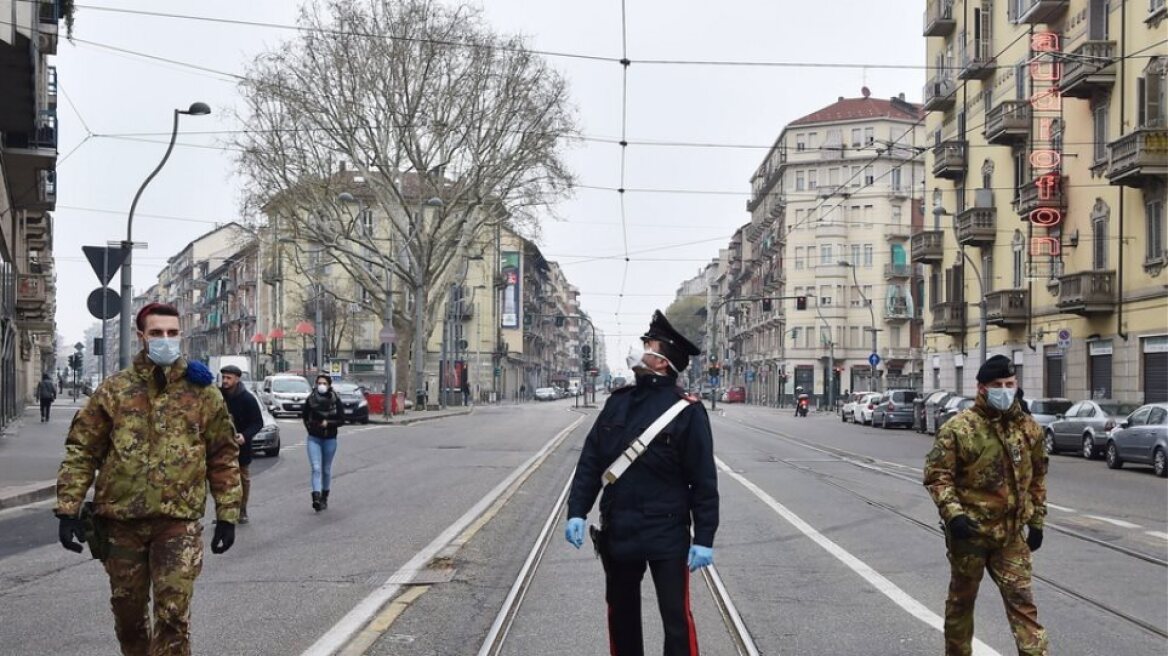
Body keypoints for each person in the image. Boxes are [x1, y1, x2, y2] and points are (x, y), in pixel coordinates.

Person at [55, 302, 240, 656]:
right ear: (142, 337)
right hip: (122, 524)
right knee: (129, 618)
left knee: (173, 617)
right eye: (156, 333)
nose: (165, 340)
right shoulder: (115, 391)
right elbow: (82, 449)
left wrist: (228, 514)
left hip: (178, 523)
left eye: (172, 333)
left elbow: (223, 455)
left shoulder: (203, 393)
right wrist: (68, 508)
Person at [565, 310, 718, 656]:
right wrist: (577, 510)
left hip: (667, 533)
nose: (640, 348)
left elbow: (704, 482)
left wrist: (704, 537)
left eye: (648, 344)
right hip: (619, 529)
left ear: (663, 362)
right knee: (621, 616)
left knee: (676, 619)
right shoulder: (618, 403)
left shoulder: (687, 411)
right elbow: (591, 461)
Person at [924, 354, 1048, 656]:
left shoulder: (1028, 428)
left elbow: (1038, 477)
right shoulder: (960, 428)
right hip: (971, 534)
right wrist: (954, 515)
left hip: (1010, 536)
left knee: (1023, 603)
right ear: (982, 388)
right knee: (961, 602)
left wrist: (1037, 522)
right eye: (998, 385)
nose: (1005, 390)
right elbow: (938, 476)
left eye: (1010, 383)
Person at [220, 365, 264, 525]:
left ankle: (242, 509)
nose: (225, 381)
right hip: (221, 447)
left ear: (237, 379)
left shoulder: (247, 399)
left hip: (240, 447)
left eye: (228, 378)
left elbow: (258, 422)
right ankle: (224, 512)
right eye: (223, 377)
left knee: (242, 478)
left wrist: (245, 435)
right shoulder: (218, 396)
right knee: (222, 480)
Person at [303, 374, 343, 512]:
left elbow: (342, 419)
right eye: (319, 383)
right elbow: (305, 416)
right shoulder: (311, 399)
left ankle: (324, 496)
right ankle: (316, 497)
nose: (321, 385)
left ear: (329, 385)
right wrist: (311, 428)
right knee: (316, 468)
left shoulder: (335, 400)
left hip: (330, 439)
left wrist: (329, 423)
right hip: (314, 438)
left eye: (324, 383)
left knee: (325, 469)